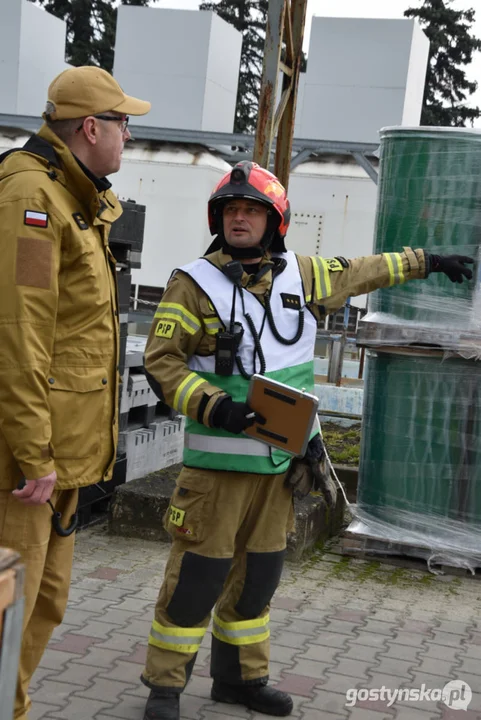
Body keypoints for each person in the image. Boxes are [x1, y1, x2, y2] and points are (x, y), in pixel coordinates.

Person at [141, 161, 473, 720]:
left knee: (258, 581)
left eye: (251, 210)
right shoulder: (192, 283)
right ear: (217, 220)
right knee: (196, 580)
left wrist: (428, 262)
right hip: (217, 474)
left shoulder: (303, 275)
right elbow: (162, 362)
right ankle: (165, 688)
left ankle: (240, 680)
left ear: (275, 222)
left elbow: (366, 269)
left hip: (280, 468)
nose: (240, 218)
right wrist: (215, 405)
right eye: (231, 210)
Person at [0, 66, 150, 720]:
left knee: (44, 603)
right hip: (24, 468)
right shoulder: (30, 200)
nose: (128, 137)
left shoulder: (74, 197)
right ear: (90, 128)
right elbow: (18, 334)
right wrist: (33, 454)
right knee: (11, 613)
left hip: (58, 459)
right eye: (122, 124)